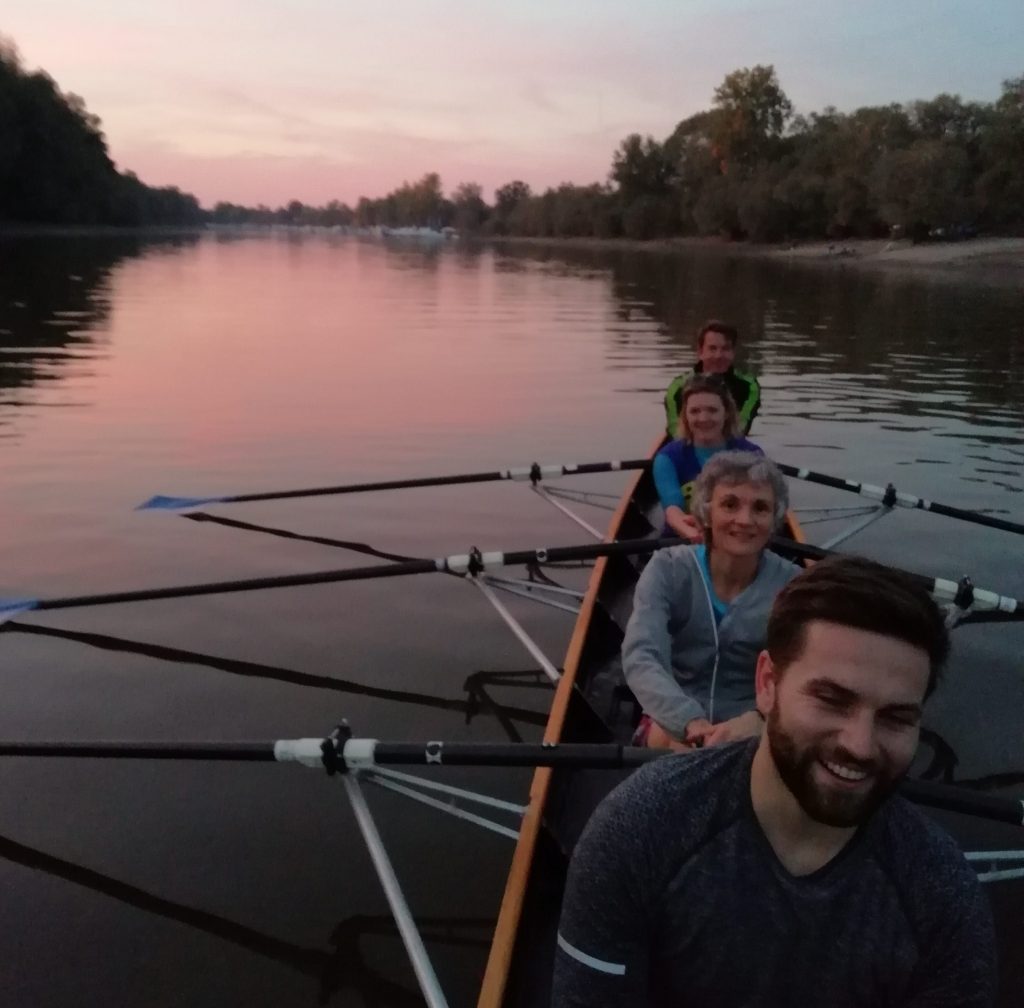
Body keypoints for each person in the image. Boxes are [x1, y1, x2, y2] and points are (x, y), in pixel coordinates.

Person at [554, 555, 996, 1008]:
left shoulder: (941, 896)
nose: (861, 746)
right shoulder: (640, 830)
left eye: (896, 718)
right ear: (766, 683)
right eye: (831, 700)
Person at [625, 452, 799, 750]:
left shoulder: (793, 586)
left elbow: (803, 671)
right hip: (674, 716)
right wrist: (689, 721)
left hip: (753, 721)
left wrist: (757, 718)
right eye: (730, 505)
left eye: (760, 508)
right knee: (674, 745)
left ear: (773, 520)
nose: (744, 520)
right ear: (706, 513)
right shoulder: (667, 569)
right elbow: (642, 656)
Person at [654, 374, 762, 541]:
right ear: (685, 416)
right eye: (695, 411)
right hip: (683, 540)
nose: (703, 418)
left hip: (739, 538)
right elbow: (673, 510)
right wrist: (695, 535)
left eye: (712, 410)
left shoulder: (752, 456)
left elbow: (760, 508)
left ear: (726, 413)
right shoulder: (667, 458)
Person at [664, 320, 760, 437]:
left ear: (733, 352)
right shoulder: (678, 386)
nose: (719, 355)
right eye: (712, 348)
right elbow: (675, 429)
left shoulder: (749, 386)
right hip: (683, 445)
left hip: (728, 445)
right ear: (700, 352)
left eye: (725, 349)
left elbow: (740, 428)